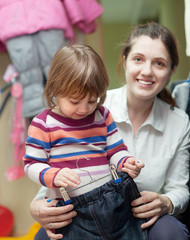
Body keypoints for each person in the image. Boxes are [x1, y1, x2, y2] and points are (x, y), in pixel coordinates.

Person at [30, 22, 190, 240]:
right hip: (80, 209)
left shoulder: (178, 122)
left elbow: (179, 188)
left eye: (159, 63)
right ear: (124, 61)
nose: (147, 71)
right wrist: (37, 207)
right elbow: (55, 164)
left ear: (171, 71)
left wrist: (167, 201)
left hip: (132, 214)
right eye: (138, 59)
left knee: (170, 232)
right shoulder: (86, 108)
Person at [24, 44, 146, 238]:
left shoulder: (103, 115)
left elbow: (115, 151)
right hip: (69, 211)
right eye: (74, 101)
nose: (84, 108)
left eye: (92, 101)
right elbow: (31, 165)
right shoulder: (43, 123)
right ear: (56, 88)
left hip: (110, 202)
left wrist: (126, 162)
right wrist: (52, 175)